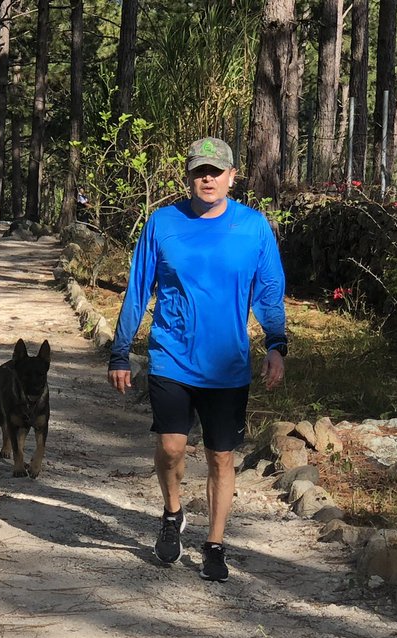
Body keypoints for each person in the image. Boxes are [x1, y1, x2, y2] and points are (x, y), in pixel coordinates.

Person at [107, 136, 287, 583]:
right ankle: (172, 513)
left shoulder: (253, 227)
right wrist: (120, 351)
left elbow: (268, 291)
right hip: (171, 356)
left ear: (232, 176)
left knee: (221, 458)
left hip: (227, 365)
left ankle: (214, 544)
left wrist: (277, 345)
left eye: (216, 171)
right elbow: (138, 288)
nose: (207, 178)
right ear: (187, 176)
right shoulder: (163, 223)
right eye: (198, 171)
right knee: (171, 448)